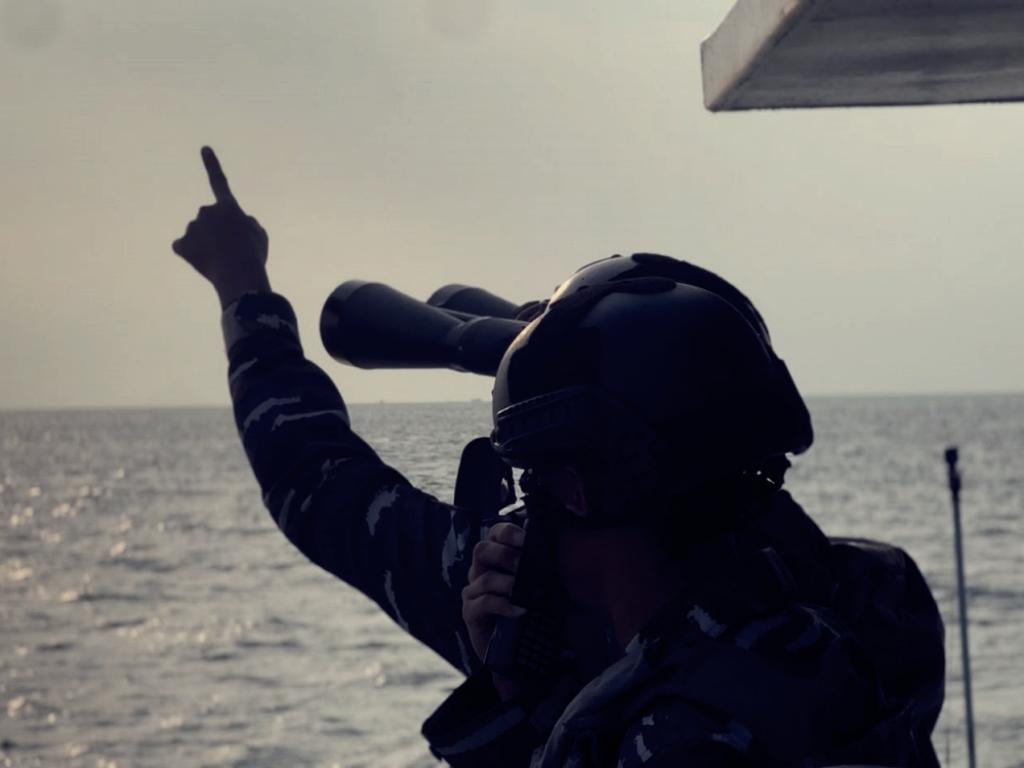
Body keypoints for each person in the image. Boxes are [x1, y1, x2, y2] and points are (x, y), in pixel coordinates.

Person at [173, 147, 945, 767]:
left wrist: (243, 284)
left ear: (571, 490)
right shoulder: (868, 613)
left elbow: (317, 480)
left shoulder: (604, 667)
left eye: (531, 478)